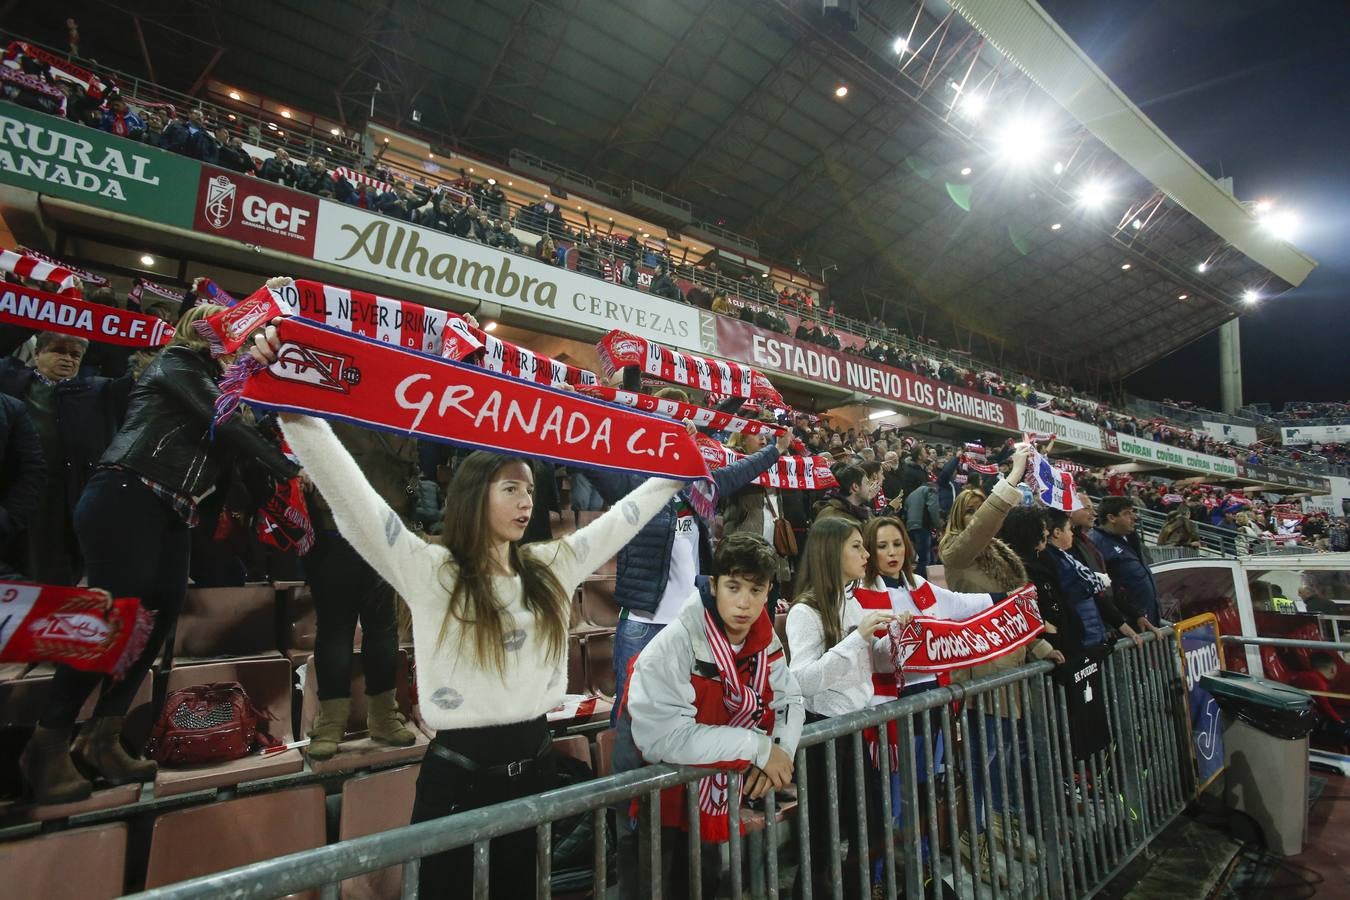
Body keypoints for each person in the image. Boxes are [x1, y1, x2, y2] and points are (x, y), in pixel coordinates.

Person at [249, 322, 688, 898]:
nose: (526, 501)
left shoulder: (550, 566)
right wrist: (291, 403)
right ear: (473, 496)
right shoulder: (433, 570)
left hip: (536, 767)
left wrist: (676, 469)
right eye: (510, 489)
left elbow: (621, 521)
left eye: (529, 489)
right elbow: (355, 503)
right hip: (458, 777)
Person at [20, 306, 300, 805]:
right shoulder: (177, 364)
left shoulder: (224, 384)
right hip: (126, 494)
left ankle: (101, 738)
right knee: (109, 622)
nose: (238, 340)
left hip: (172, 508)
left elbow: (242, 443)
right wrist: (291, 470)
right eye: (229, 331)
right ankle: (46, 745)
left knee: (154, 622)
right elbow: (226, 423)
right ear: (200, 332)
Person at [615, 533, 803, 899]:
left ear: (768, 591)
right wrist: (759, 749)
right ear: (713, 585)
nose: (744, 602)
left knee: (704, 880)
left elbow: (789, 699)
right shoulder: (675, 642)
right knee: (651, 884)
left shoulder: (765, 639)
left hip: (710, 779)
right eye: (734, 587)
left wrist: (779, 751)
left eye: (755, 589)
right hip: (651, 780)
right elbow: (665, 738)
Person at [590, 405, 787, 716]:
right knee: (631, 712)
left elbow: (740, 471)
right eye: (674, 440)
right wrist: (577, 410)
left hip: (687, 626)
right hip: (643, 625)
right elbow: (592, 462)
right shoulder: (634, 485)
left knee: (684, 710)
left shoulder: (699, 489)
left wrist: (775, 450)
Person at [786, 516, 897, 899]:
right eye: (857, 546)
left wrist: (893, 641)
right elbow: (802, 681)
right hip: (821, 734)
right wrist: (857, 639)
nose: (867, 554)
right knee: (821, 839)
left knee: (868, 827)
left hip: (851, 730)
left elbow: (865, 663)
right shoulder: (805, 611)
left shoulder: (852, 603)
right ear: (833, 552)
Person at [303, 424, 421, 759]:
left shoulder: (405, 411)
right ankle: (331, 723)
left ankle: (383, 717)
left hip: (386, 528)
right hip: (335, 528)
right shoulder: (330, 403)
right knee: (335, 631)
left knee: (383, 630)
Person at [0, 332, 133, 584]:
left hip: (66, 491)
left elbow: (129, 378)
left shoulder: (96, 390)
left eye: (75, 355)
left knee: (57, 564)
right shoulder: (9, 377)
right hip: (15, 488)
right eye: (58, 351)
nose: (67, 359)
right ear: (36, 353)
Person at [1091, 497, 1163, 631]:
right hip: (1128, 624)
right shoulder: (1097, 543)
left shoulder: (1131, 536)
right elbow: (1107, 589)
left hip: (1147, 615)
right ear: (1111, 518)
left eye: (1132, 512)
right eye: (1127, 513)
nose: (1134, 517)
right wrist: (1133, 614)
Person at [1288, 653, 1350, 748]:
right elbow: (1324, 705)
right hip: (1309, 725)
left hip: (1297, 720)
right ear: (1333, 669)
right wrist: (1339, 720)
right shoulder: (1318, 682)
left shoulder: (1301, 675)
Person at [901, 478, 941, 577]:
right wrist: (938, 525)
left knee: (926, 556)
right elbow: (933, 508)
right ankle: (919, 579)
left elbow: (905, 512)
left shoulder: (911, 495)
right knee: (925, 559)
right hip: (922, 526)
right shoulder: (930, 490)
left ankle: (929, 578)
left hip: (910, 528)